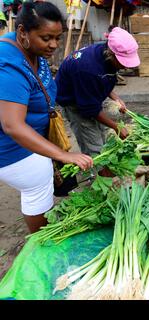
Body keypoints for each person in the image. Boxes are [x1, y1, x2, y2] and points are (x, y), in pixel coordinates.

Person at [0, 1, 93, 234]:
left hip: (31, 135)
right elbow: (12, 125)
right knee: (37, 179)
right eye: (46, 38)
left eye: (57, 38)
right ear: (23, 32)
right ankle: (41, 241)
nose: (53, 45)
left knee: (43, 175)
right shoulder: (9, 65)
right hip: (9, 146)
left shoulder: (31, 48)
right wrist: (62, 154)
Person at [55, 26, 140, 159]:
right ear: (111, 54)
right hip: (75, 102)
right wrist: (117, 127)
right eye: (123, 61)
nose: (126, 66)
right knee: (95, 147)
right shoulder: (88, 69)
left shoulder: (104, 54)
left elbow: (104, 79)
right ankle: (98, 176)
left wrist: (115, 97)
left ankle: (105, 169)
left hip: (87, 93)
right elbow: (90, 109)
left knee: (103, 132)